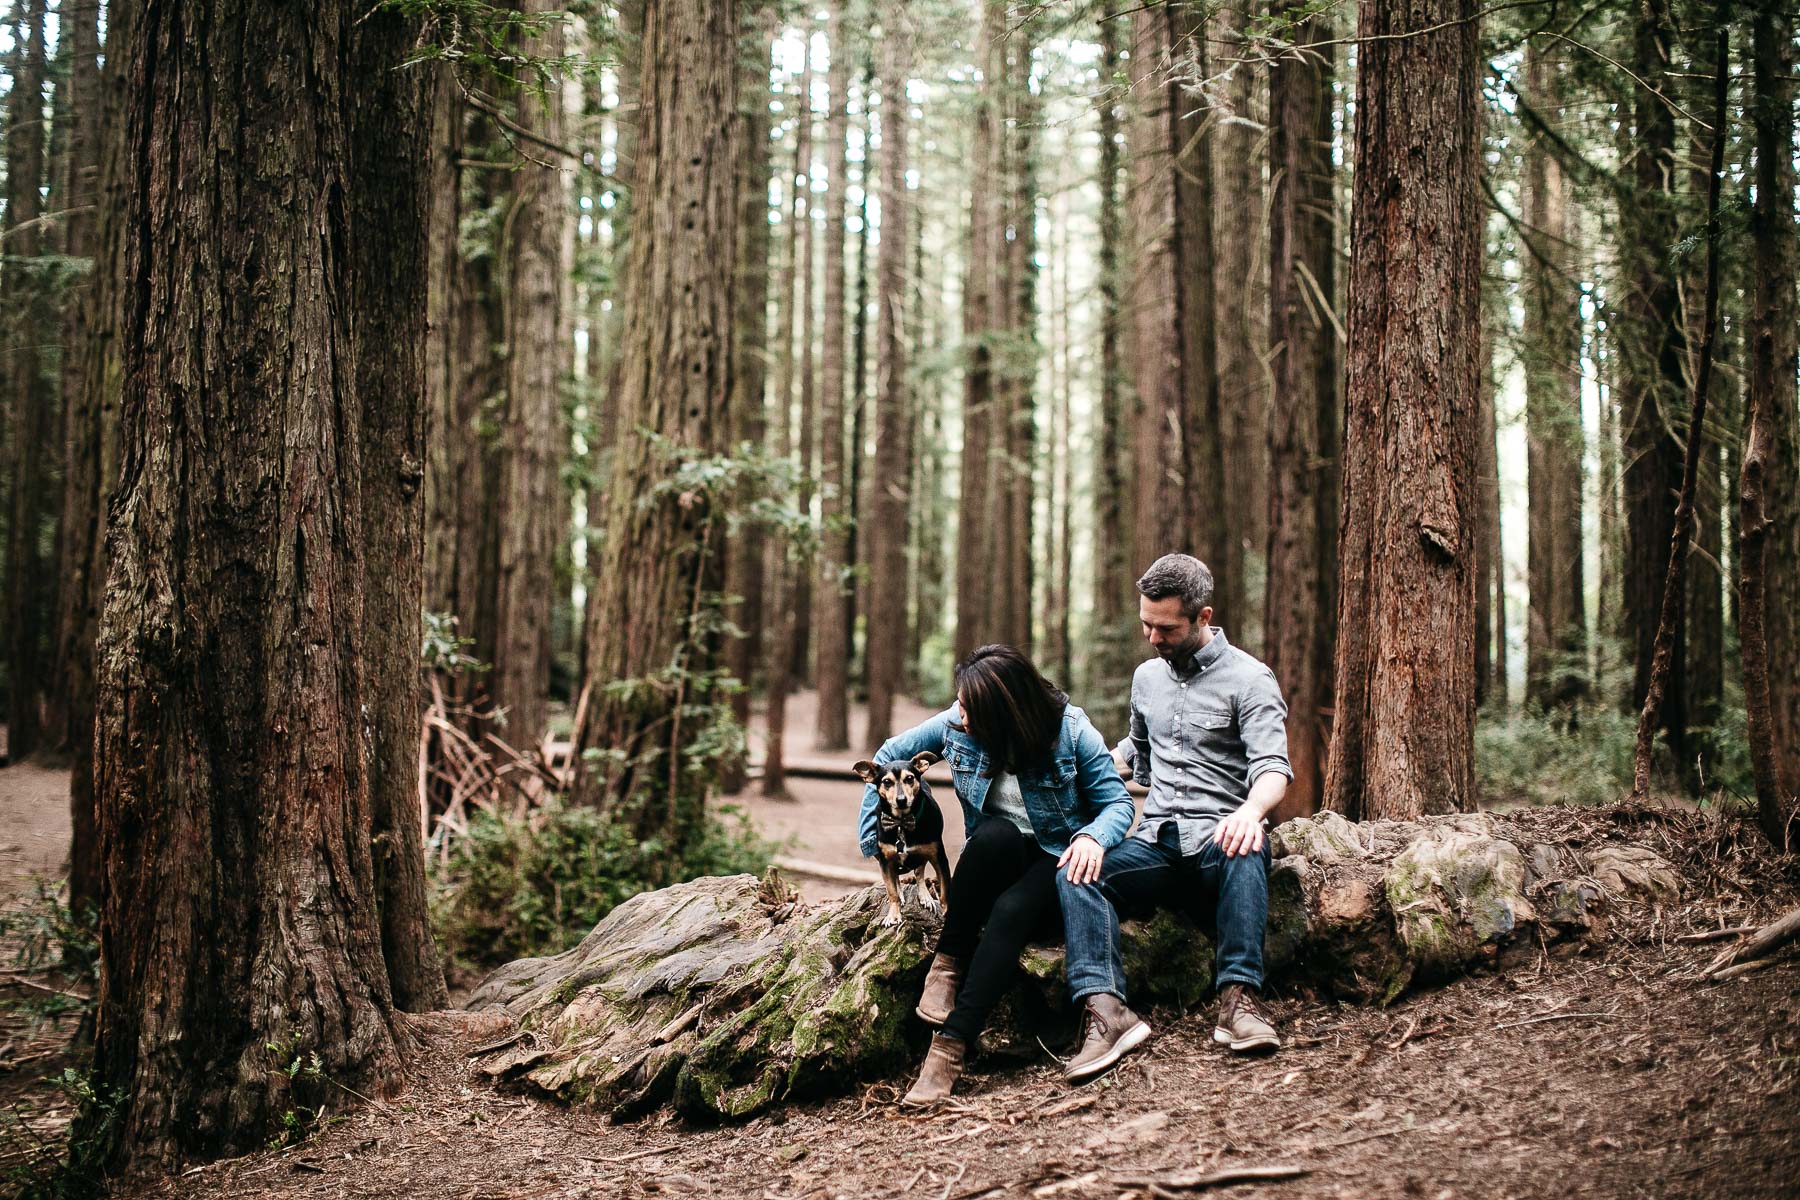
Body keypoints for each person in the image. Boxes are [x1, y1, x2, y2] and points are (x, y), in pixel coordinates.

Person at [856, 644, 1137, 1106]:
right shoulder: (955, 725)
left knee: (1010, 910)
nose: (959, 716)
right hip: (997, 854)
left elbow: (1118, 803)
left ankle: (948, 1049)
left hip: (1058, 856)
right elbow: (889, 754)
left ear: (1004, 711)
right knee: (994, 836)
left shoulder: (1071, 731)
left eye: (970, 708)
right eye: (960, 703)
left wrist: (1092, 839)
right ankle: (946, 966)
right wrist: (876, 840)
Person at [1056, 553, 1293, 1082]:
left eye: (1165, 628)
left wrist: (1251, 812)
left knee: (1249, 841)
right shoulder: (1146, 679)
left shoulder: (1251, 679)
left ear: (1203, 617)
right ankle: (1107, 1012)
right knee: (1075, 868)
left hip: (1219, 843)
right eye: (1146, 624)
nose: (1152, 638)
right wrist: (1079, 773)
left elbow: (1274, 767)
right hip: (1156, 842)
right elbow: (1134, 754)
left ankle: (1239, 1003)